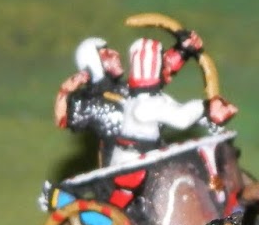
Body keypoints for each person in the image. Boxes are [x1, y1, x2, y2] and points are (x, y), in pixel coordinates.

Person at [54, 32, 238, 166]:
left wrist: (183, 50)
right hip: (122, 166)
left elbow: (156, 72)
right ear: (94, 63)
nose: (116, 54)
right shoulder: (90, 103)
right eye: (107, 54)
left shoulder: (128, 89)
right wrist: (66, 90)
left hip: (154, 154)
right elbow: (62, 118)